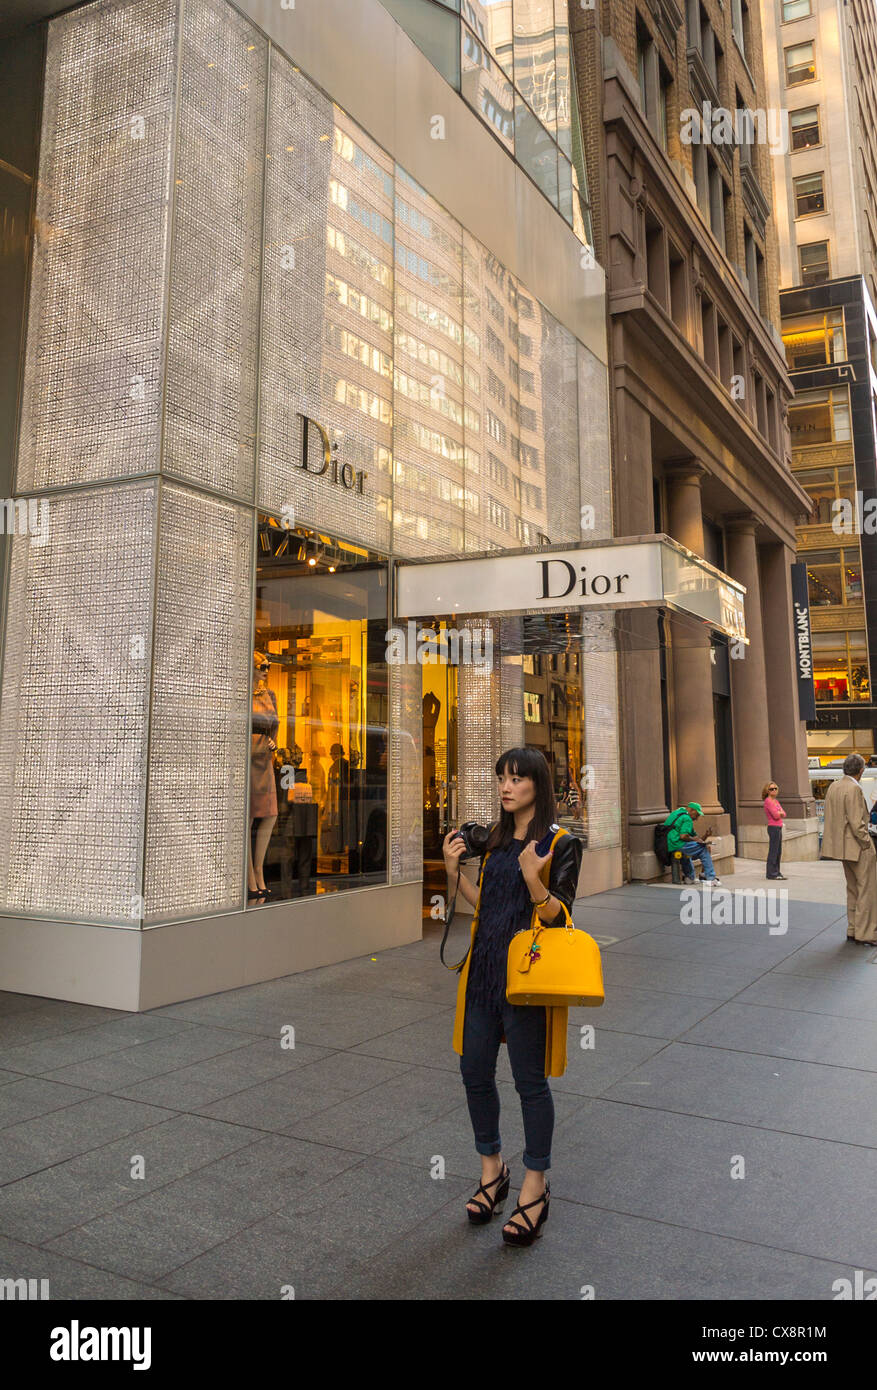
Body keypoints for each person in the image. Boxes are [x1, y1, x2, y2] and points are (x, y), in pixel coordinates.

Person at [444, 746, 583, 1247]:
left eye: (517, 779)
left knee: (530, 1083)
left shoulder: (560, 842)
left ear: (537, 786)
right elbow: (487, 907)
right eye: (501, 777)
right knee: (474, 1072)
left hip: (528, 979)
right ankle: (492, 1169)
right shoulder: (498, 840)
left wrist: (533, 880)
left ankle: (535, 1186)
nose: (506, 787)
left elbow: (560, 916)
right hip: (483, 973)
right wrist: (454, 870)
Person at [820, 752, 877, 944]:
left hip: (842, 847)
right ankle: (866, 933)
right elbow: (856, 822)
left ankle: (853, 929)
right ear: (861, 770)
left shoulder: (834, 786)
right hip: (858, 847)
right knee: (867, 891)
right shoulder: (853, 789)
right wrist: (866, 842)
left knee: (852, 888)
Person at [663, 801, 722, 885]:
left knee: (689, 852)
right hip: (676, 844)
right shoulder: (687, 818)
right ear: (692, 810)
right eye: (697, 815)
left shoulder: (677, 813)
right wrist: (696, 840)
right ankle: (711, 878)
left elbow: (697, 839)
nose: (697, 818)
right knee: (704, 849)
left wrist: (706, 835)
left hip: (670, 844)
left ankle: (689, 878)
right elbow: (683, 837)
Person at [763, 780, 787, 881]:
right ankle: (771, 873)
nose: (774, 790)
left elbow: (784, 814)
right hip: (773, 827)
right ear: (767, 791)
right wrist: (779, 812)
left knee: (778, 851)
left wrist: (780, 812)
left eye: (775, 788)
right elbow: (776, 815)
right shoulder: (768, 801)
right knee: (773, 851)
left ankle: (777, 872)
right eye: (771, 789)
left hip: (779, 827)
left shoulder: (775, 801)